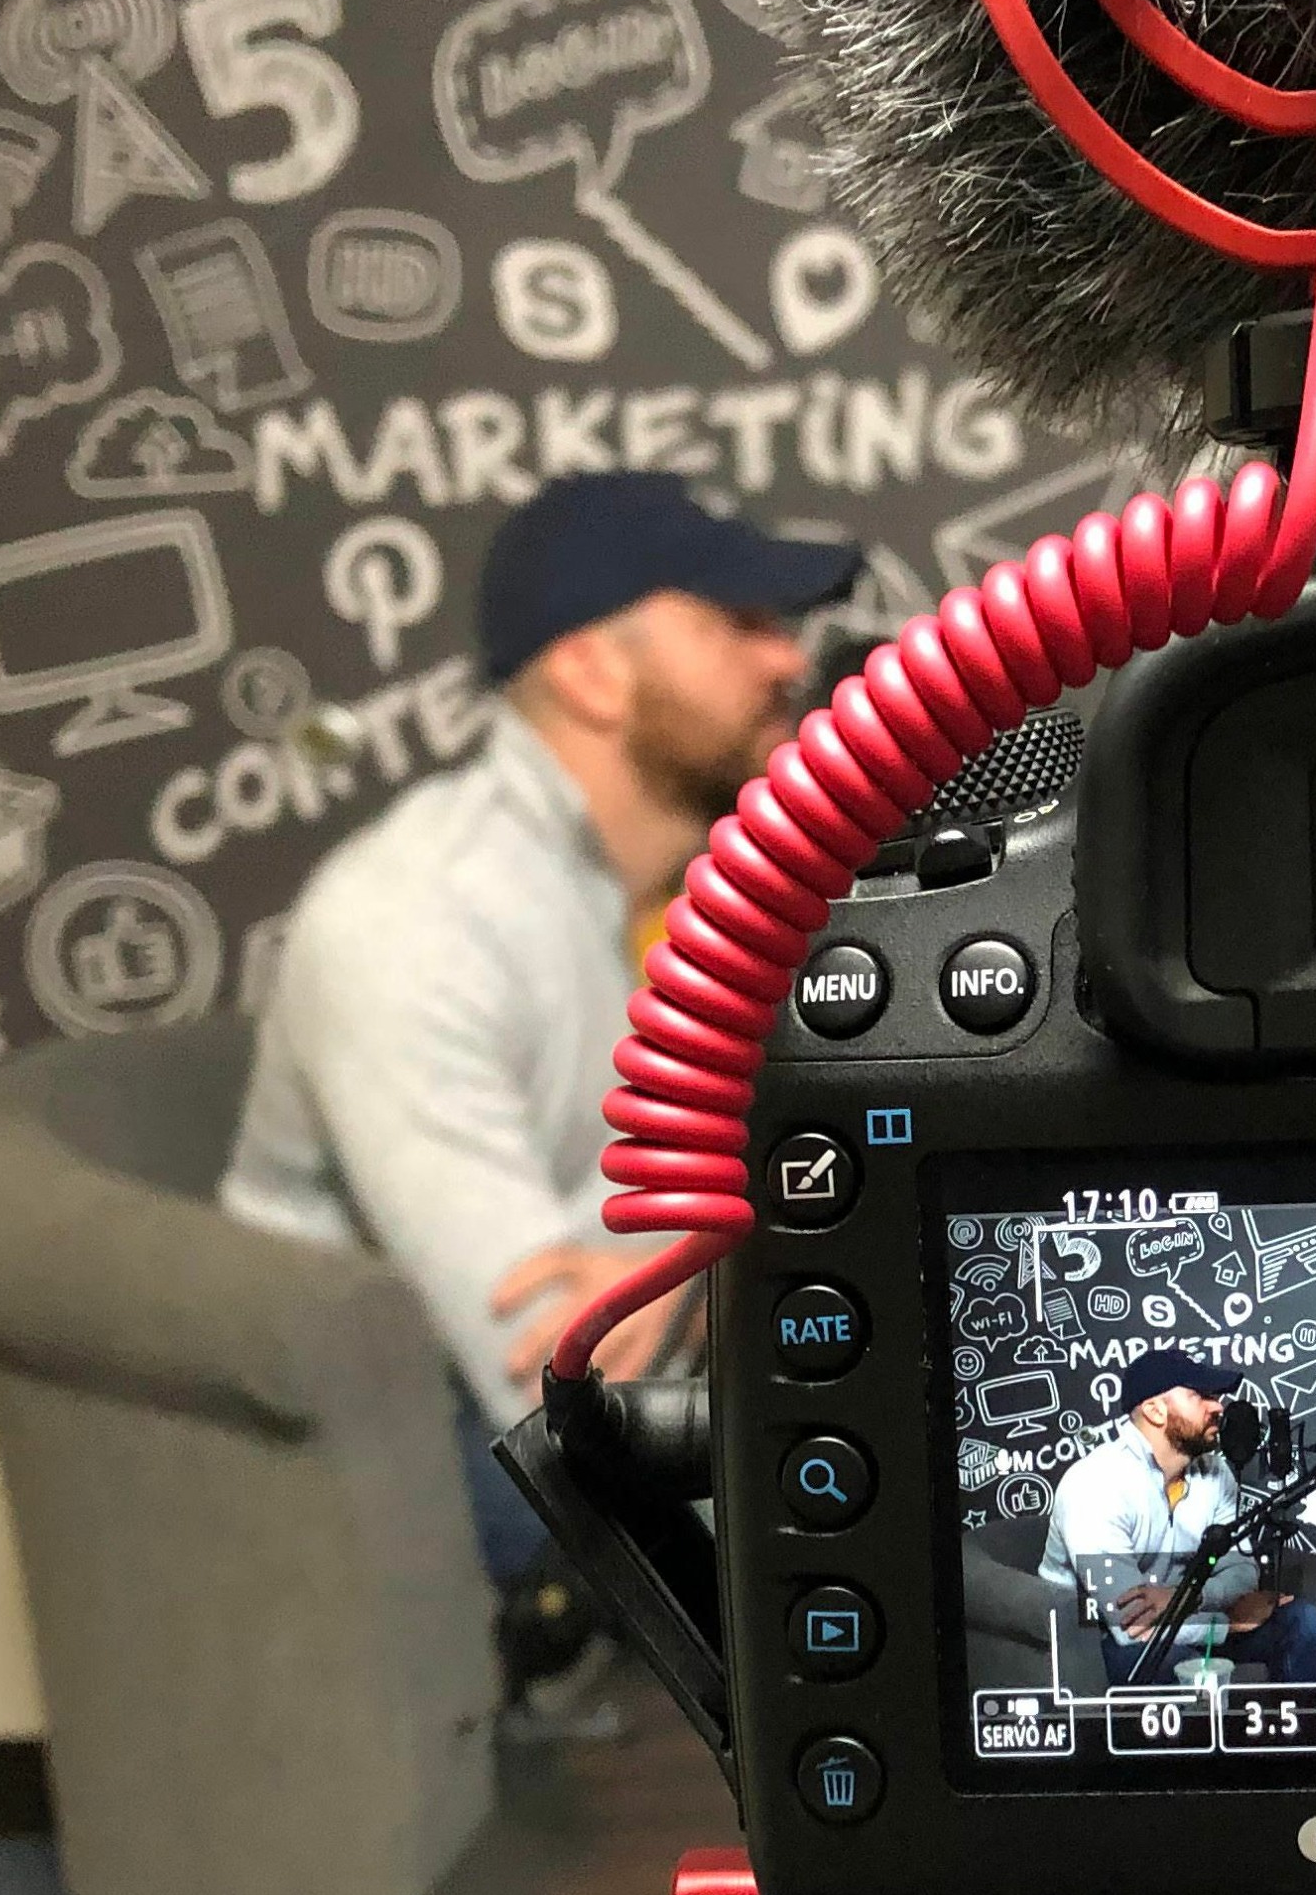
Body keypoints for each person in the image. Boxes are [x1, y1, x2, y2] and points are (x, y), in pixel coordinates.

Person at [221, 471, 860, 1612]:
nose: (786, 659)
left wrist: (705, 1255)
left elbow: (701, 1247)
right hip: (408, 1468)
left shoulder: (686, 895)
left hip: (591, 1398)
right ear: (591, 670)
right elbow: (560, 1373)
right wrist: (723, 1247)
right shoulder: (412, 921)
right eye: (737, 621)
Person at [1037, 1349, 1316, 1690]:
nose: (1218, 1407)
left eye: (1215, 1397)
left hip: (1188, 1619)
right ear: (1155, 1410)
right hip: (1099, 1640)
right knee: (1184, 1666)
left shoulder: (1215, 1472)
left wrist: (1190, 1597)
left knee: (1301, 1621)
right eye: (1201, 1396)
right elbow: (1132, 1626)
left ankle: (1307, 1727)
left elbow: (1241, 1571)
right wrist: (1227, 1623)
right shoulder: (1095, 1484)